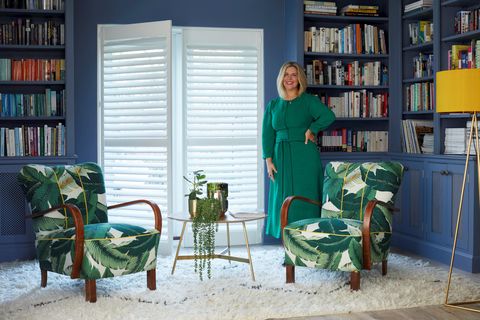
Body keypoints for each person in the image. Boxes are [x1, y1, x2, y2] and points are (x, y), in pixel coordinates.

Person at [262, 61, 335, 238]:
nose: (290, 78)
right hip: (280, 156)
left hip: (305, 156)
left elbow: (328, 116)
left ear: (300, 78)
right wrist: (268, 161)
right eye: (286, 75)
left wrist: (312, 129)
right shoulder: (273, 105)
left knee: (307, 195)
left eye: (294, 75)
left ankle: (310, 239)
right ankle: (288, 246)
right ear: (281, 78)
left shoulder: (309, 101)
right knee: (282, 198)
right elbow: (267, 134)